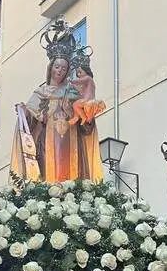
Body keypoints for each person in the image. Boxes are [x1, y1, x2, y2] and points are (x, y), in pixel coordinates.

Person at [11, 19, 104, 183]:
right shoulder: (41, 92)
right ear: (50, 68)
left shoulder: (73, 92)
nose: (60, 71)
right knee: (48, 174)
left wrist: (89, 116)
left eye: (64, 68)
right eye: (57, 67)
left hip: (72, 142)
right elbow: (30, 120)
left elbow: (85, 124)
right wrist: (24, 111)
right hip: (47, 144)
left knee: (74, 173)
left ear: (68, 71)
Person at [67, 58, 105, 126]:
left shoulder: (88, 78)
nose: (79, 74)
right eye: (77, 73)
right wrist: (72, 86)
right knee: (77, 105)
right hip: (88, 100)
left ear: (86, 71)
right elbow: (80, 91)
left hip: (88, 100)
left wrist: (71, 81)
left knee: (75, 105)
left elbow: (79, 81)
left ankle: (82, 117)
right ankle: (77, 117)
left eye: (80, 72)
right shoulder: (87, 83)